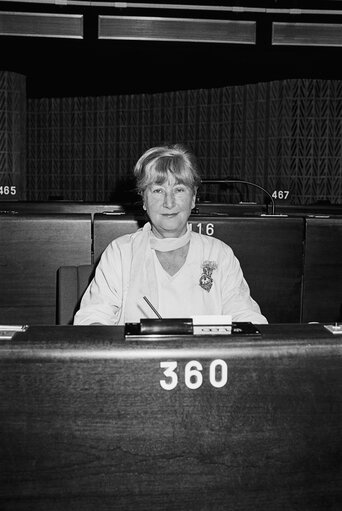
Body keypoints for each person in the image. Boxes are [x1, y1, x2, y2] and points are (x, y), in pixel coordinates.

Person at [74, 144, 267, 325]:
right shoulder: (121, 253)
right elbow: (91, 321)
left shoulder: (219, 254)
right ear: (143, 200)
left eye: (179, 189)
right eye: (158, 190)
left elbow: (247, 317)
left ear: (193, 198)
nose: (169, 202)